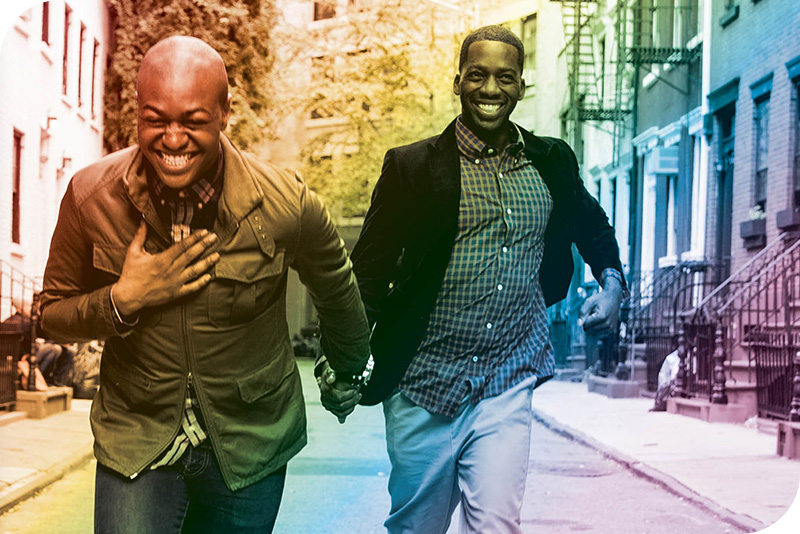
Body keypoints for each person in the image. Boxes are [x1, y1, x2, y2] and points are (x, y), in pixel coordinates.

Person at [39, 35, 371, 534]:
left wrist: (347, 372)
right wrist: (122, 300)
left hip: (249, 439)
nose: (173, 139)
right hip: (138, 435)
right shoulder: (91, 197)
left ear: (224, 112)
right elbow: (50, 313)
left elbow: (338, 292)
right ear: (138, 112)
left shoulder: (286, 203)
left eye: (193, 121)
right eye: (156, 120)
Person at [321, 25, 629, 534]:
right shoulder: (412, 167)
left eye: (505, 77)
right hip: (424, 386)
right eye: (478, 76)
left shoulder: (551, 161)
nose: (491, 89)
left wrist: (612, 283)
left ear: (521, 87)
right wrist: (343, 360)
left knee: (497, 527)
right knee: (416, 527)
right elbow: (369, 274)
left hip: (508, 380)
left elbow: (591, 225)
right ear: (458, 81)